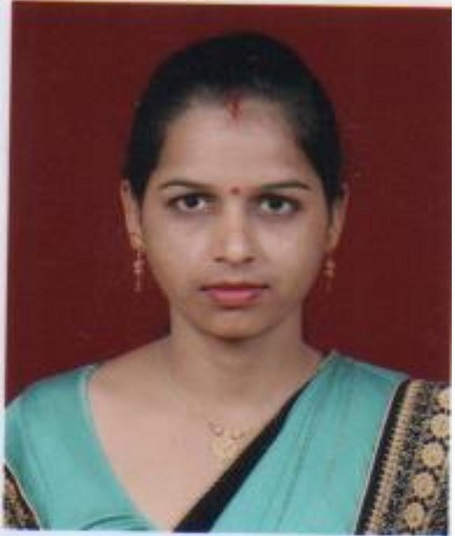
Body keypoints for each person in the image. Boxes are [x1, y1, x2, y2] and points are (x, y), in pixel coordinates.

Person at [4, 32, 448, 533]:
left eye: (276, 204)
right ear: (133, 213)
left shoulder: (429, 440)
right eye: (191, 202)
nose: (235, 248)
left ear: (334, 218)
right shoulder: (35, 439)